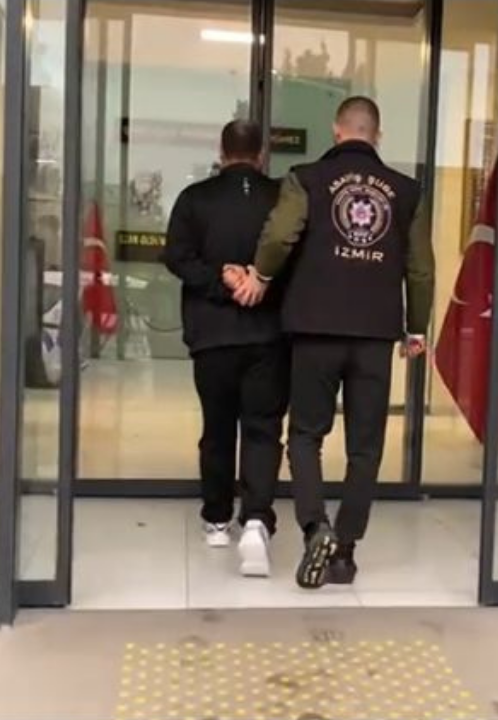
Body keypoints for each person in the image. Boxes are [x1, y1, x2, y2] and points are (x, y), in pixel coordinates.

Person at [227, 97, 434, 589]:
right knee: (365, 447)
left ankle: (314, 526)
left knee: (306, 435)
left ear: (337, 131)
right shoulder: (408, 191)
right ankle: (344, 552)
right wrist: (417, 328)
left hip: (315, 327)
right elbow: (420, 267)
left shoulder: (307, 178)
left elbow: (280, 236)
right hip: (375, 334)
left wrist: (260, 276)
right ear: (376, 135)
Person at [161, 119, 288, 577]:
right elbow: (294, 256)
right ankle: (255, 519)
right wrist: (258, 282)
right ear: (262, 154)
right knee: (262, 429)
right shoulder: (283, 198)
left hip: (211, 336)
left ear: (221, 151)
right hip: (269, 335)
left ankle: (216, 519)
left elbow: (177, 256)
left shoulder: (195, 199)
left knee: (217, 430)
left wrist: (222, 280)